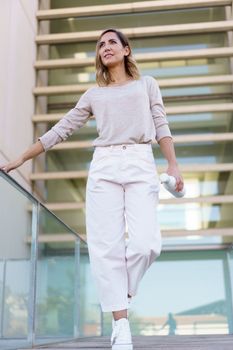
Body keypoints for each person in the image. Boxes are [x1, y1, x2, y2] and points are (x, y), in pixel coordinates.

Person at [0, 28, 183, 350]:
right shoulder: (93, 95)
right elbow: (60, 130)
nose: (105, 47)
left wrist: (172, 165)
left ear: (127, 50)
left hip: (140, 161)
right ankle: (121, 326)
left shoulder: (147, 85)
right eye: (100, 44)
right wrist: (18, 160)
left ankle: (122, 289)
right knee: (106, 248)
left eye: (112, 42)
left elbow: (160, 124)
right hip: (104, 167)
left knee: (145, 244)